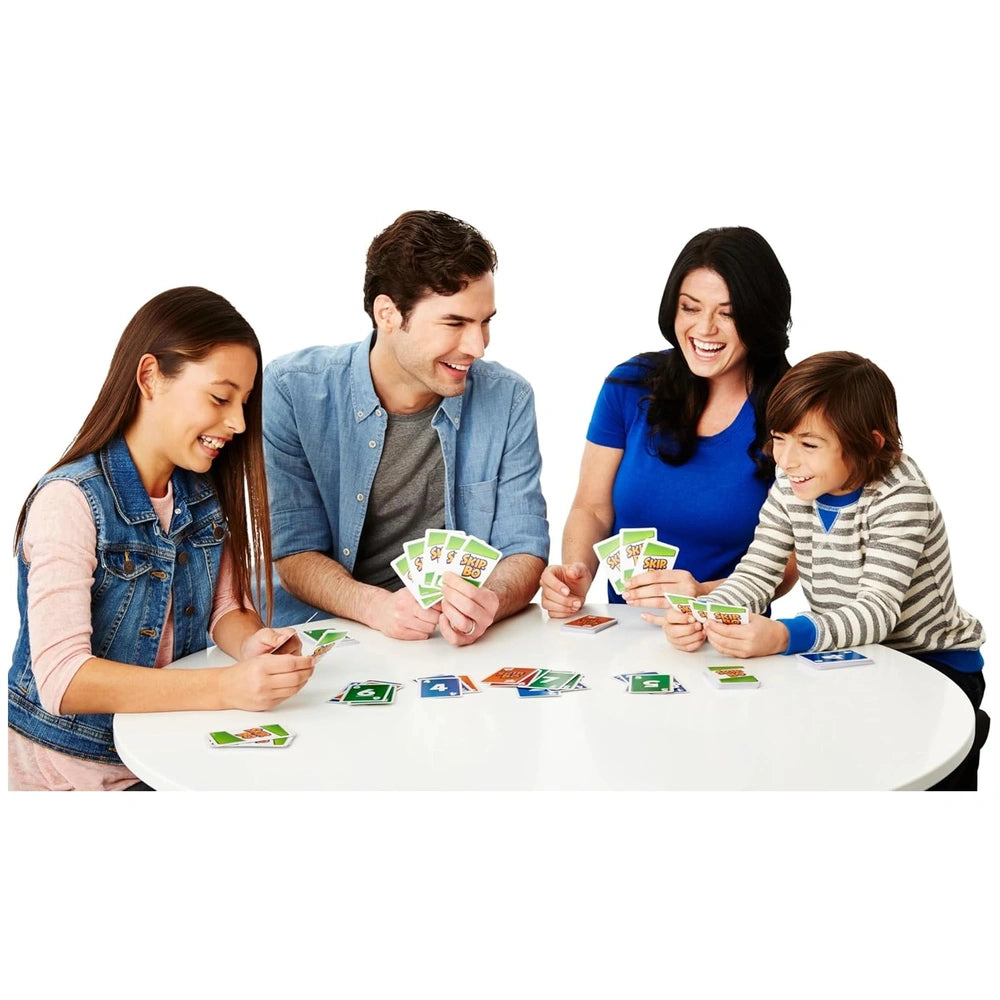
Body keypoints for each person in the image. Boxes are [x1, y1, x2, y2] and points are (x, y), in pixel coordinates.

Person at [7, 287, 315, 791]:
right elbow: (62, 679)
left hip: (168, 748)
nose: (238, 422)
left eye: (244, 402)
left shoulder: (201, 491)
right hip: (78, 772)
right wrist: (225, 688)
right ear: (150, 376)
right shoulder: (70, 501)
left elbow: (224, 610)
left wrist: (253, 645)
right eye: (220, 397)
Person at [661, 351, 988, 790]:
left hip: (932, 663)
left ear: (868, 444)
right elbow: (758, 572)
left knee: (906, 780)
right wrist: (705, 612)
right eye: (779, 438)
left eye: (809, 444)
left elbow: (875, 613)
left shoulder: (900, 495)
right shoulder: (792, 482)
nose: (787, 459)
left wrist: (783, 635)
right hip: (855, 656)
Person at [262, 210, 549, 645]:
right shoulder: (290, 391)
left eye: (485, 321)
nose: (477, 346)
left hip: (452, 646)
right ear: (388, 314)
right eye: (455, 323)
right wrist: (376, 608)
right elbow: (293, 550)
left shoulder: (509, 398)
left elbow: (523, 545)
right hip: (320, 633)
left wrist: (488, 599)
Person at [540, 226, 797, 618]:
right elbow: (591, 507)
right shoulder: (630, 384)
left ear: (760, 318)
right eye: (690, 308)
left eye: (728, 314)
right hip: (624, 635)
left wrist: (704, 594)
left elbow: (799, 558)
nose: (705, 329)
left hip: (729, 633)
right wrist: (577, 572)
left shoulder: (793, 408)